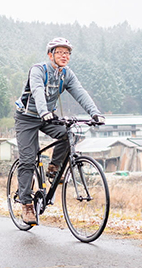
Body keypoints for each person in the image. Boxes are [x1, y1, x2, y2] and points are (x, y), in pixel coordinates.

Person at [14, 37, 105, 225]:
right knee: (28, 160)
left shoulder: (66, 75)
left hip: (48, 116)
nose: (64, 56)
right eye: (60, 52)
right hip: (27, 118)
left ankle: (54, 168)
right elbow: (38, 91)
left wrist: (95, 114)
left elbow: (80, 93)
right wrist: (43, 112)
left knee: (70, 133)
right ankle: (26, 203)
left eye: (67, 53)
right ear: (50, 55)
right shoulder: (38, 70)